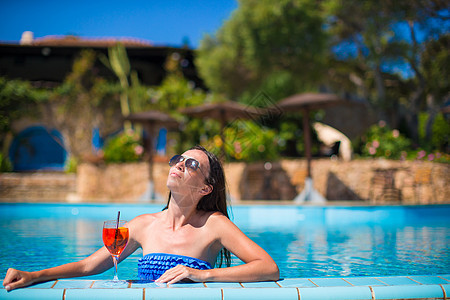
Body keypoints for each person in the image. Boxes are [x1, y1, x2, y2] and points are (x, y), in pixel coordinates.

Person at [3, 145, 279, 290]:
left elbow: (268, 267)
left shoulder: (214, 224)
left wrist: (203, 274)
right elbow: (90, 267)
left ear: (205, 188)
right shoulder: (142, 225)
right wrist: (33, 275)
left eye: (192, 164)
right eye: (178, 159)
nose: (180, 164)